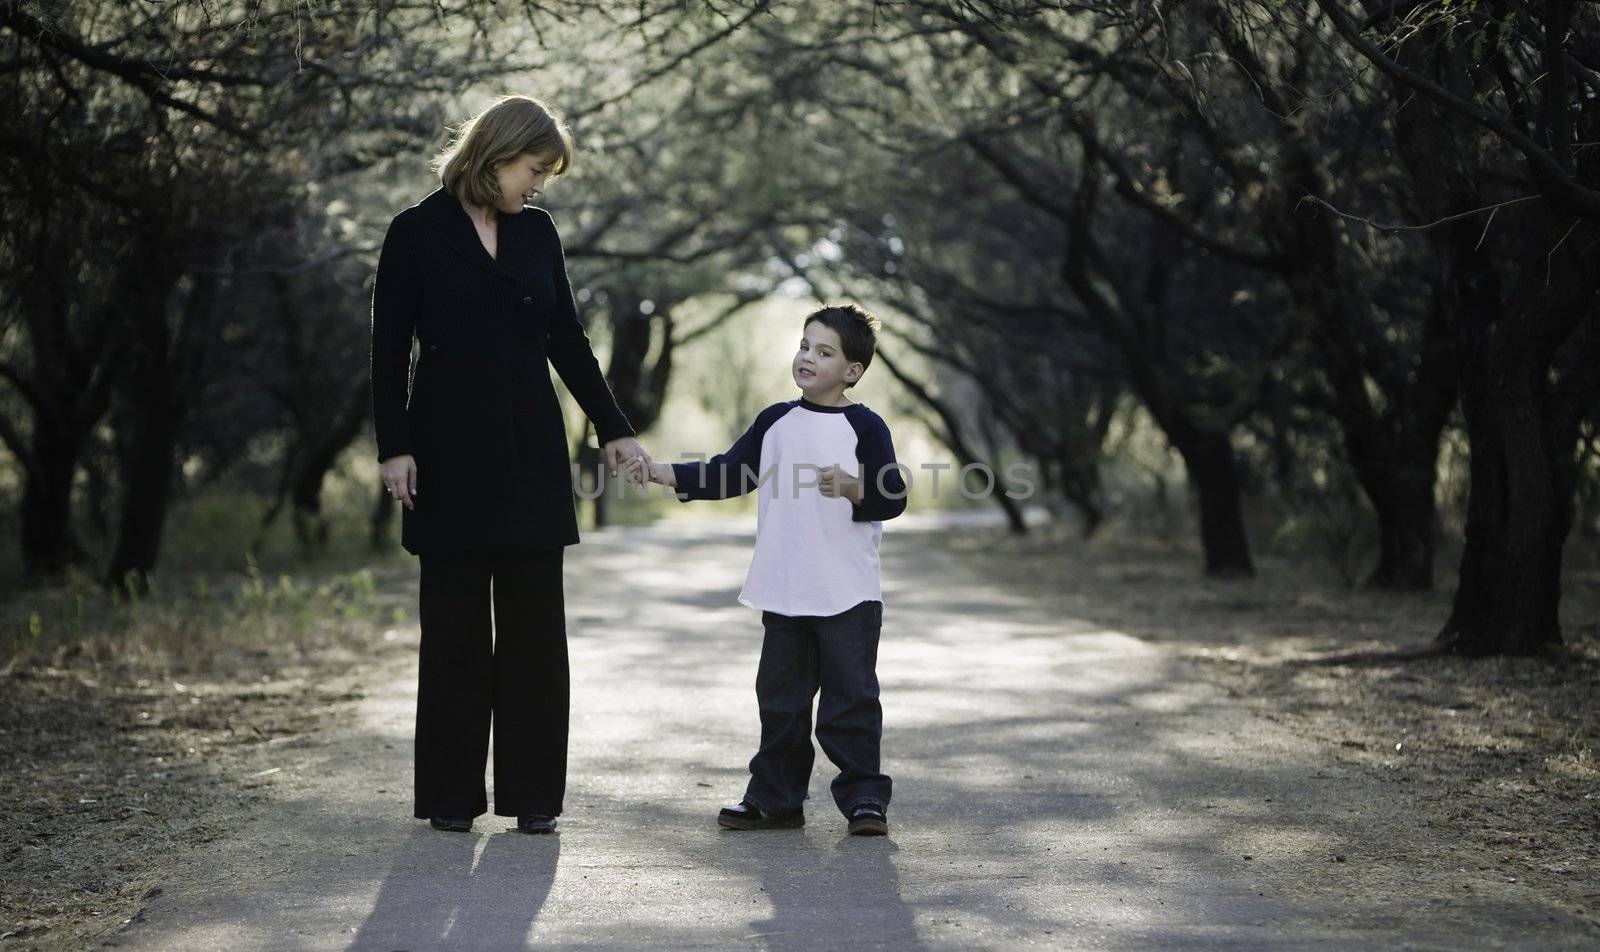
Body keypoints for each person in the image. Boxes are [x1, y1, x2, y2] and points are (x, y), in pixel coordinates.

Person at [370, 94, 650, 835]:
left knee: (534, 638)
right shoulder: (415, 233)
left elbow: (568, 341)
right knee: (456, 636)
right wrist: (393, 445)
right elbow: (388, 349)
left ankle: (533, 799)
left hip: (533, 455)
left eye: (547, 175)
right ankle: (452, 800)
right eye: (535, 169)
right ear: (495, 158)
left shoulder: (538, 234)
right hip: (445, 458)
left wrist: (614, 428)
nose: (540, 185)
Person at [630, 304, 907, 836]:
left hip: (847, 594)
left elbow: (892, 497)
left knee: (850, 702)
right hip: (784, 588)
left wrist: (854, 488)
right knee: (781, 702)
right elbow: (728, 474)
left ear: (852, 370)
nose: (807, 357)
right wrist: (663, 472)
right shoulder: (776, 421)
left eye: (824, 352)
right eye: (805, 346)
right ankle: (776, 800)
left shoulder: (864, 425)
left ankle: (865, 799)